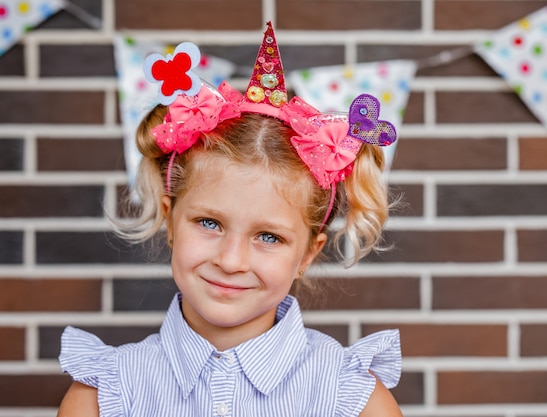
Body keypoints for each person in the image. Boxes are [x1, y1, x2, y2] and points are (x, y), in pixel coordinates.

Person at [57, 22, 403, 417]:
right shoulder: (102, 397)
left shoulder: (355, 400)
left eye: (269, 237)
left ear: (308, 254)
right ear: (170, 221)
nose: (231, 260)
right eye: (209, 223)